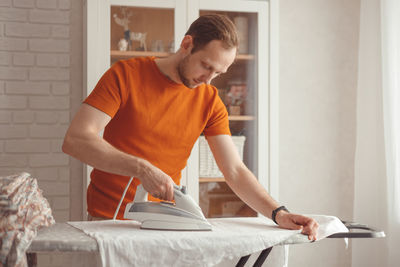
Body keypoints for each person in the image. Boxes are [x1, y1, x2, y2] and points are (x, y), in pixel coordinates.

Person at [62, 14, 319, 240]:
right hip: (108, 222)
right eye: (206, 66)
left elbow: (234, 170)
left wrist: (278, 214)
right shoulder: (125, 75)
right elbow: (76, 139)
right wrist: (142, 168)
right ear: (187, 44)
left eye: (218, 72)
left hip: (167, 224)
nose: (208, 79)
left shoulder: (209, 100)